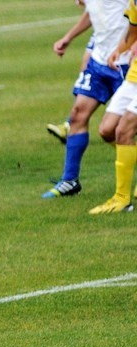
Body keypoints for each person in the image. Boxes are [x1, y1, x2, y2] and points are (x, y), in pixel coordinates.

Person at [42, 0, 129, 199]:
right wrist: (68, 37)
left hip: (125, 64)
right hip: (99, 61)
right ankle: (69, 180)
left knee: (116, 129)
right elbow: (94, 11)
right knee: (78, 114)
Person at [89, 0, 137, 214]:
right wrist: (120, 49)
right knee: (107, 130)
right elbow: (133, 30)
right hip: (134, 77)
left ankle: (122, 199)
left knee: (123, 130)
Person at [46, 0, 95, 145]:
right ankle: (70, 124)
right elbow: (93, 11)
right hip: (108, 32)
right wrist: (68, 38)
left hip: (124, 33)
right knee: (87, 72)